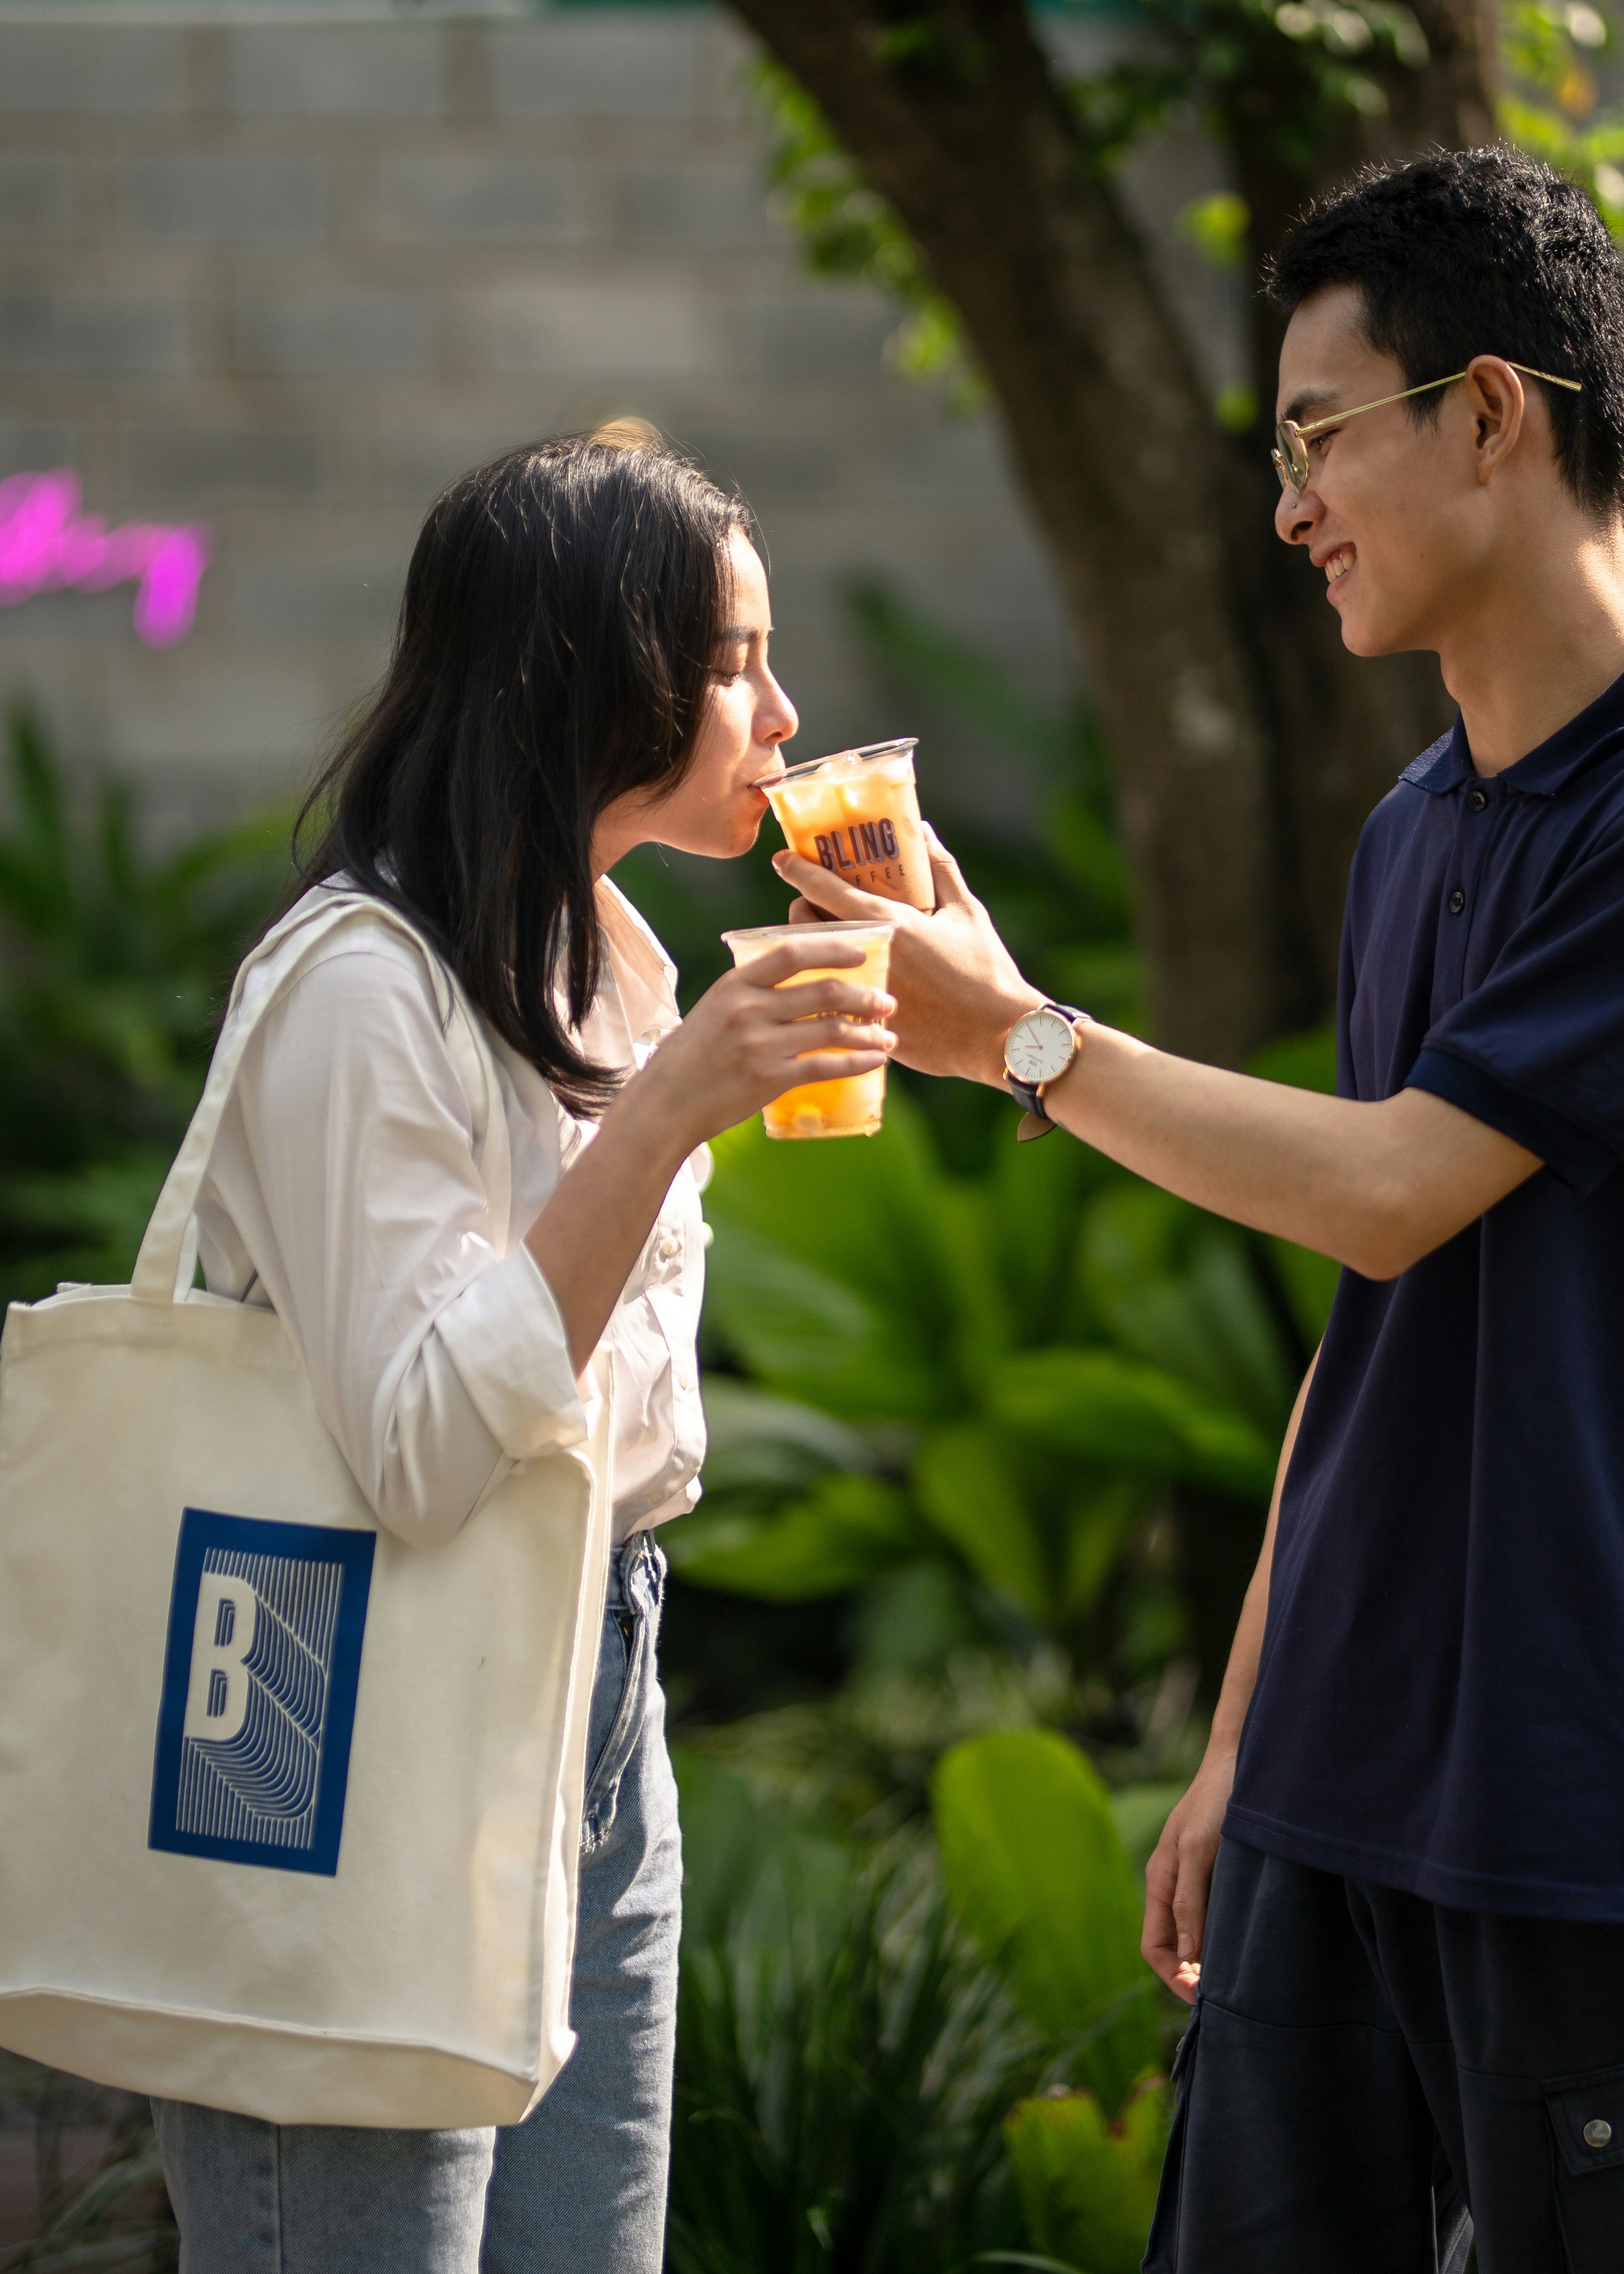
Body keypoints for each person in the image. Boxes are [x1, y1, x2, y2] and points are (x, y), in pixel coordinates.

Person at [773, 149, 1624, 2271]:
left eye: (1319, 437)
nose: (1287, 506)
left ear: (1495, 415)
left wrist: (1031, 1043)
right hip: (1340, 1781)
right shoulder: (1415, 830)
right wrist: (1251, 1731)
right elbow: (1372, 1302)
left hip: (1563, 1804)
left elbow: (1408, 1184)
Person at [149, 422, 896, 2273]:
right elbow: (415, 1457)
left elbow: (632, 1435)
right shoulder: (355, 988)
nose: (786, 713)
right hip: (339, 1733)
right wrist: (664, 1125)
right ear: (593, 673)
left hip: (595, 1710)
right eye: (734, 663)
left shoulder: (611, 968)